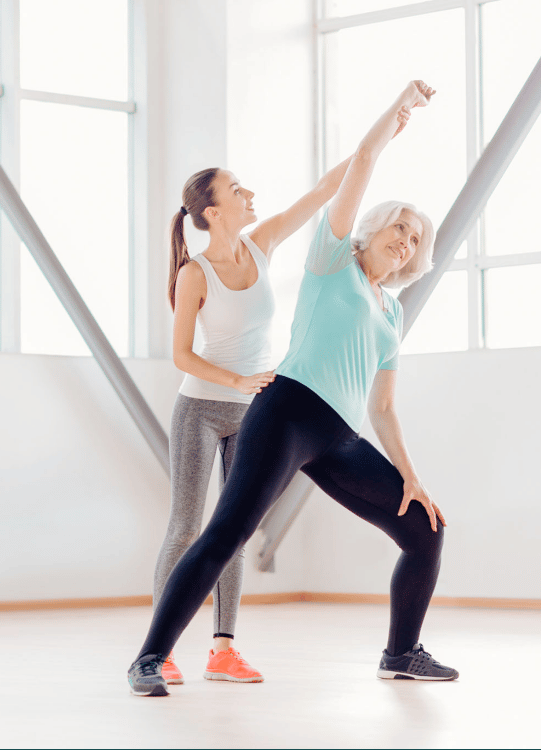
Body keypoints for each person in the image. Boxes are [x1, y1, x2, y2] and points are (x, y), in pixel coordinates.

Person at [130, 80, 456, 698]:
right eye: (397, 227)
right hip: (286, 413)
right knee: (226, 532)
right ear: (372, 229)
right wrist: (396, 114)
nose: (404, 240)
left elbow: (382, 406)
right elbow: (357, 165)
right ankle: (150, 657)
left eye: (415, 238)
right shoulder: (332, 260)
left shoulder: (392, 311)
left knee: (427, 530)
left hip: (339, 435)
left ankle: (401, 652)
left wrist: (411, 474)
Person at [157, 156, 354, 685]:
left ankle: (223, 651)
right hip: (200, 407)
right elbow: (180, 354)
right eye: (236, 189)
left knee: (234, 530)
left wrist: (375, 139)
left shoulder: (260, 244)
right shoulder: (194, 272)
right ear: (213, 210)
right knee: (185, 528)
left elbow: (319, 193)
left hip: (253, 414)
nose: (249, 194)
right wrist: (237, 381)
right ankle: (160, 651)